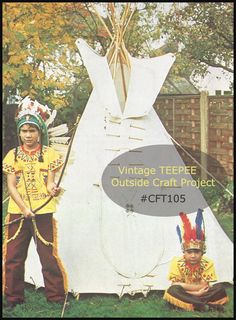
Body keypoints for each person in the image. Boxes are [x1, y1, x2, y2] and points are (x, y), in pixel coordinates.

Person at [3, 97, 68, 308]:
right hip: (18, 213)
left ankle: (56, 297)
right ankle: (13, 298)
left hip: (43, 212)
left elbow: (49, 183)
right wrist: (24, 209)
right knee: (13, 256)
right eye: (25, 131)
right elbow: (11, 186)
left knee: (48, 255)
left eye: (32, 131)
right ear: (20, 133)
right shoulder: (12, 156)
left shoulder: (49, 155)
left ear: (39, 132)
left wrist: (53, 189)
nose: (28, 135)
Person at [163, 209, 229, 312]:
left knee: (220, 288)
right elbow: (175, 285)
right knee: (173, 290)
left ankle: (192, 304)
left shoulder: (208, 263)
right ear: (184, 252)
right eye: (189, 252)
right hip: (192, 293)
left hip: (196, 292)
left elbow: (204, 285)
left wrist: (182, 285)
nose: (193, 256)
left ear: (202, 253)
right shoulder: (176, 262)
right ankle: (206, 305)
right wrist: (196, 293)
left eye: (197, 252)